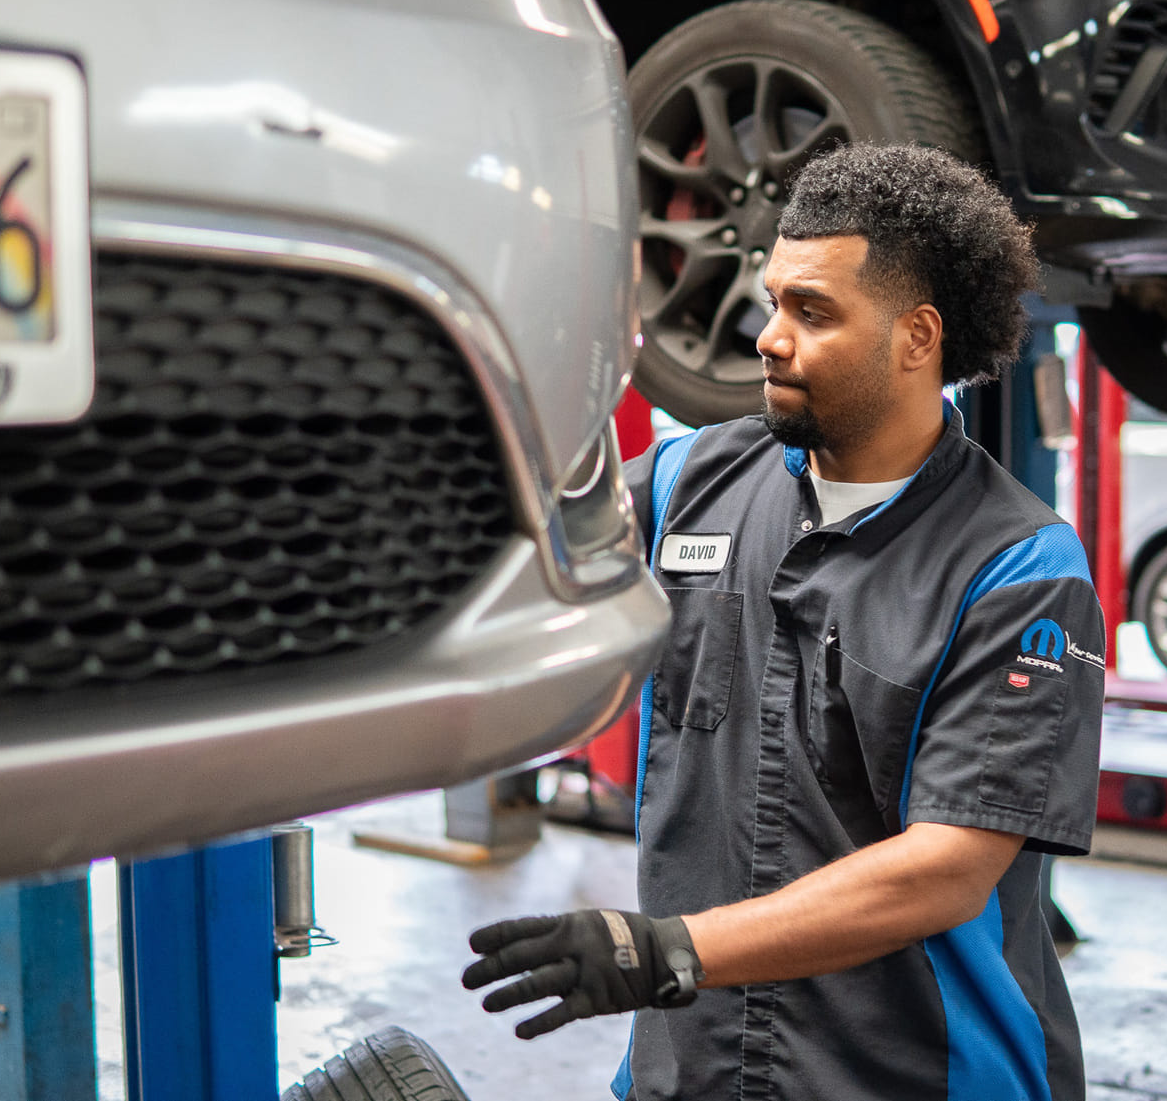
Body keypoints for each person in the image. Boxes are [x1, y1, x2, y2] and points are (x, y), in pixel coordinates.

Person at [462, 143, 1106, 1100]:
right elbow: (515, 551)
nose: (769, 336)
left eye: (813, 312)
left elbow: (945, 869)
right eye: (773, 302)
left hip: (908, 1076)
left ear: (917, 337)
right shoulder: (690, 484)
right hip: (697, 1067)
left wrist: (666, 950)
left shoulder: (1016, 566)